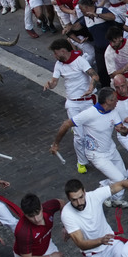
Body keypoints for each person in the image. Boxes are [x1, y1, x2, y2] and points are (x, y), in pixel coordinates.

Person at [52, 87, 128, 205]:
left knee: (124, 176)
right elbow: (66, 124)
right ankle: (108, 196)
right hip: (96, 155)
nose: (117, 101)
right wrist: (56, 144)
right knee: (119, 179)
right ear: (108, 101)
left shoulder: (114, 111)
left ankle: (110, 192)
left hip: (111, 150)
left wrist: (124, 130)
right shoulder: (89, 114)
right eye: (115, 99)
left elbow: (121, 130)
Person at [45, 37, 98, 173]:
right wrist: (50, 85)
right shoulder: (58, 64)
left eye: (56, 53)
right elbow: (54, 81)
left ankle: (97, 155)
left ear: (63, 51)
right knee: (79, 136)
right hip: (73, 104)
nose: (54, 56)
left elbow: (94, 76)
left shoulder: (80, 61)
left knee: (94, 130)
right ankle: (82, 162)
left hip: (87, 102)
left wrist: (91, 87)